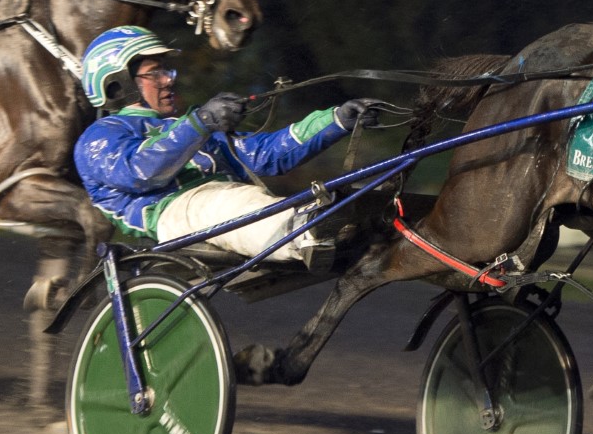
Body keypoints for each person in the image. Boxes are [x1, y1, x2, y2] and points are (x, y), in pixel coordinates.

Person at [74, 25, 380, 268]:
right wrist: (202, 121)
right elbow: (140, 171)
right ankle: (306, 229)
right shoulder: (100, 136)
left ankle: (330, 224)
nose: (168, 80)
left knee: (240, 197)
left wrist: (335, 120)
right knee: (223, 201)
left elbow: (266, 154)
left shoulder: (189, 126)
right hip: (171, 213)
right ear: (117, 83)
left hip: (226, 200)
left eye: (168, 70)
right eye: (155, 73)